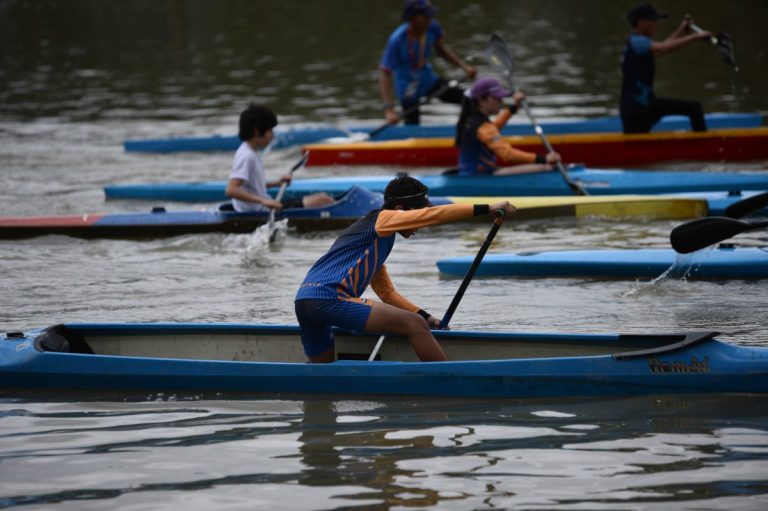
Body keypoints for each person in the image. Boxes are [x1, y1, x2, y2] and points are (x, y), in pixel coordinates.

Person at [294, 175, 515, 363]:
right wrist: (487, 208)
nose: (419, 224)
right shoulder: (383, 218)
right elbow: (434, 215)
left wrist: (425, 316)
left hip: (304, 300)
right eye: (417, 215)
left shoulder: (372, 238)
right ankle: (448, 380)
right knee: (413, 325)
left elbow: (386, 293)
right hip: (330, 298)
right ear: (400, 210)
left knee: (323, 370)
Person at [379, 0, 477, 125]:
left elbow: (441, 51)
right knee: (412, 125)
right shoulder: (397, 40)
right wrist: (389, 110)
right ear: (412, 18)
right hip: (407, 88)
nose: (430, 19)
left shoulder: (432, 27)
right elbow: (385, 73)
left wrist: (465, 67)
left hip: (428, 80)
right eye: (425, 16)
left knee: (469, 100)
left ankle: (469, 130)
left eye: (430, 15)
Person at [620, 3, 713, 134]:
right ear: (641, 22)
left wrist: (681, 29)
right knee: (694, 109)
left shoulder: (635, 43)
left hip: (635, 109)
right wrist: (696, 36)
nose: (656, 24)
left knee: (638, 146)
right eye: (653, 20)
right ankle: (705, 150)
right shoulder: (638, 41)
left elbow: (662, 49)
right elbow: (663, 47)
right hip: (639, 108)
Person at [226, 104, 333, 212]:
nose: (272, 136)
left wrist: (276, 183)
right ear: (256, 130)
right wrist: (264, 201)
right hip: (259, 210)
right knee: (322, 200)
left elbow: (252, 187)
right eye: (270, 131)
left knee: (323, 198)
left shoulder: (252, 152)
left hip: (263, 206)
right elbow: (231, 190)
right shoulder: (247, 156)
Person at [455, 77, 561, 176]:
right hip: (479, 177)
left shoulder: (472, 120)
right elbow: (507, 155)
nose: (501, 101)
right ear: (482, 100)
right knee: (545, 168)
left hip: (471, 173)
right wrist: (543, 159)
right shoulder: (483, 126)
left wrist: (514, 107)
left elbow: (493, 128)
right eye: (496, 98)